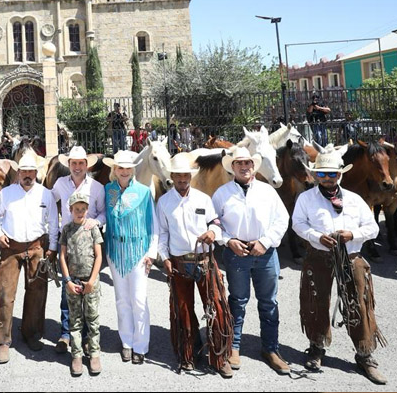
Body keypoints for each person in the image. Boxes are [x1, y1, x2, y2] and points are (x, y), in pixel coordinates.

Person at [292, 145, 387, 385]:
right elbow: (298, 224)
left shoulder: (355, 200)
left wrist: (352, 235)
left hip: (351, 258)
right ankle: (316, 347)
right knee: (316, 301)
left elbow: (373, 228)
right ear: (314, 175)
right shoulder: (305, 198)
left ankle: (365, 353)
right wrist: (315, 236)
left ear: (340, 175)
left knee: (358, 303)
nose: (326, 178)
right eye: (321, 174)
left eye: (331, 174)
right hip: (319, 256)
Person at [212, 146, 290, 375]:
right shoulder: (222, 193)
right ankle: (233, 346)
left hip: (264, 252)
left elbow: (282, 219)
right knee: (237, 301)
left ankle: (271, 349)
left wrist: (265, 241)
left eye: (247, 163)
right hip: (237, 253)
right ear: (232, 167)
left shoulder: (267, 191)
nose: (244, 167)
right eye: (239, 163)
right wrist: (228, 241)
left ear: (253, 166)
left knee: (268, 302)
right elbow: (214, 223)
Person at [156, 156, 233, 377]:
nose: (182, 179)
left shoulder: (203, 199)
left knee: (216, 308)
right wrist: (165, 258)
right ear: (172, 177)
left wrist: (212, 233)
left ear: (191, 176)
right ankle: (188, 355)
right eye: (178, 175)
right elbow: (162, 233)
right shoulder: (164, 203)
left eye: (185, 175)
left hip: (204, 260)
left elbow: (216, 222)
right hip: (179, 262)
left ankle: (220, 358)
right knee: (184, 311)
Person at [0, 151, 58, 363]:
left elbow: (53, 222)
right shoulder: (7, 193)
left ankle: (32, 333)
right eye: (24, 171)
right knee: (4, 293)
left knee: (37, 292)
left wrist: (52, 248)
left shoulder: (46, 194)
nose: (27, 175)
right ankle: (2, 340)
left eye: (31, 171)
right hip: (12, 248)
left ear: (36, 173)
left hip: (37, 247)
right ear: (18, 173)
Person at [103, 150, 157, 365]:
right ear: (114, 170)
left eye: (127, 167)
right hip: (116, 252)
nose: (124, 171)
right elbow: (102, 215)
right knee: (122, 299)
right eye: (120, 168)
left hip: (138, 252)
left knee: (139, 300)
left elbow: (153, 225)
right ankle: (126, 342)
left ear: (133, 169)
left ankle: (140, 345)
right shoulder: (108, 191)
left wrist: (151, 253)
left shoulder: (144, 192)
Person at [50, 146, 106, 355]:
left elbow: (103, 213)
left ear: (87, 165)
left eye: (81, 163)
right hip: (67, 241)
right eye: (73, 163)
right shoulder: (59, 184)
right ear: (69, 165)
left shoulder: (97, 188)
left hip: (88, 244)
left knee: (87, 288)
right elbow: (49, 201)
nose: (77, 167)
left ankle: (83, 335)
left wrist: (94, 222)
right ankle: (66, 333)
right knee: (68, 290)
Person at [59, 185, 104, 377]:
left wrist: (92, 280)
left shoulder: (93, 228)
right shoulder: (67, 230)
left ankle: (93, 353)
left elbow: (99, 256)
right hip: (73, 283)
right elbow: (62, 257)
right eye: (76, 209)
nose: (80, 212)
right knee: (75, 321)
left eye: (83, 209)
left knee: (92, 320)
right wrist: (68, 280)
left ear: (87, 209)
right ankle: (76, 355)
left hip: (90, 282)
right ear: (70, 210)